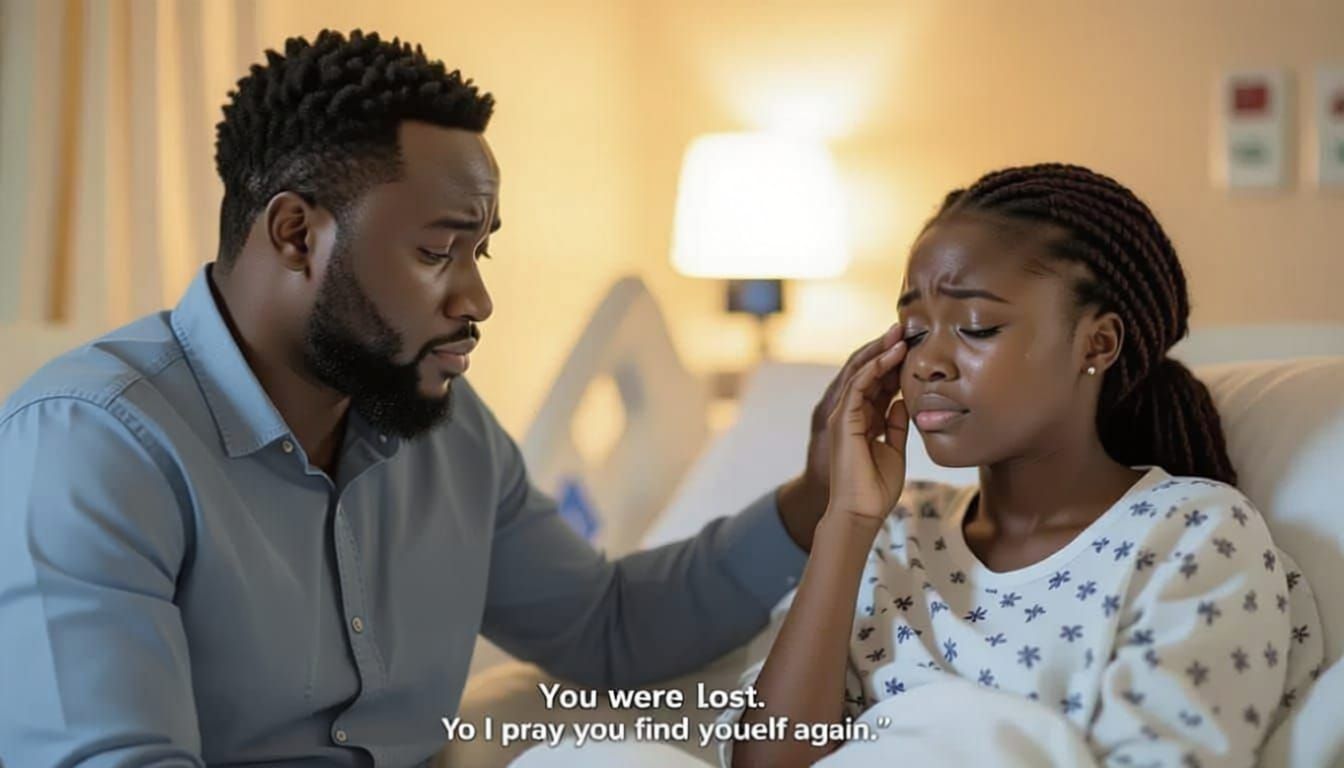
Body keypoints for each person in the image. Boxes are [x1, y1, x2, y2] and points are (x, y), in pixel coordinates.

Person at [0, 30, 900, 766]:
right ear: (294, 235)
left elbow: (609, 631)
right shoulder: (93, 445)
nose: (477, 300)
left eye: (482, 252)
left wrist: (812, 499)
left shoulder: (447, 434)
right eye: (438, 252)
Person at [726, 164, 1324, 768]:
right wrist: (846, 524)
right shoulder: (890, 537)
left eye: (976, 326)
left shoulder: (1192, 536)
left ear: (1097, 345)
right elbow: (765, 762)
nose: (926, 361)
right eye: (912, 330)